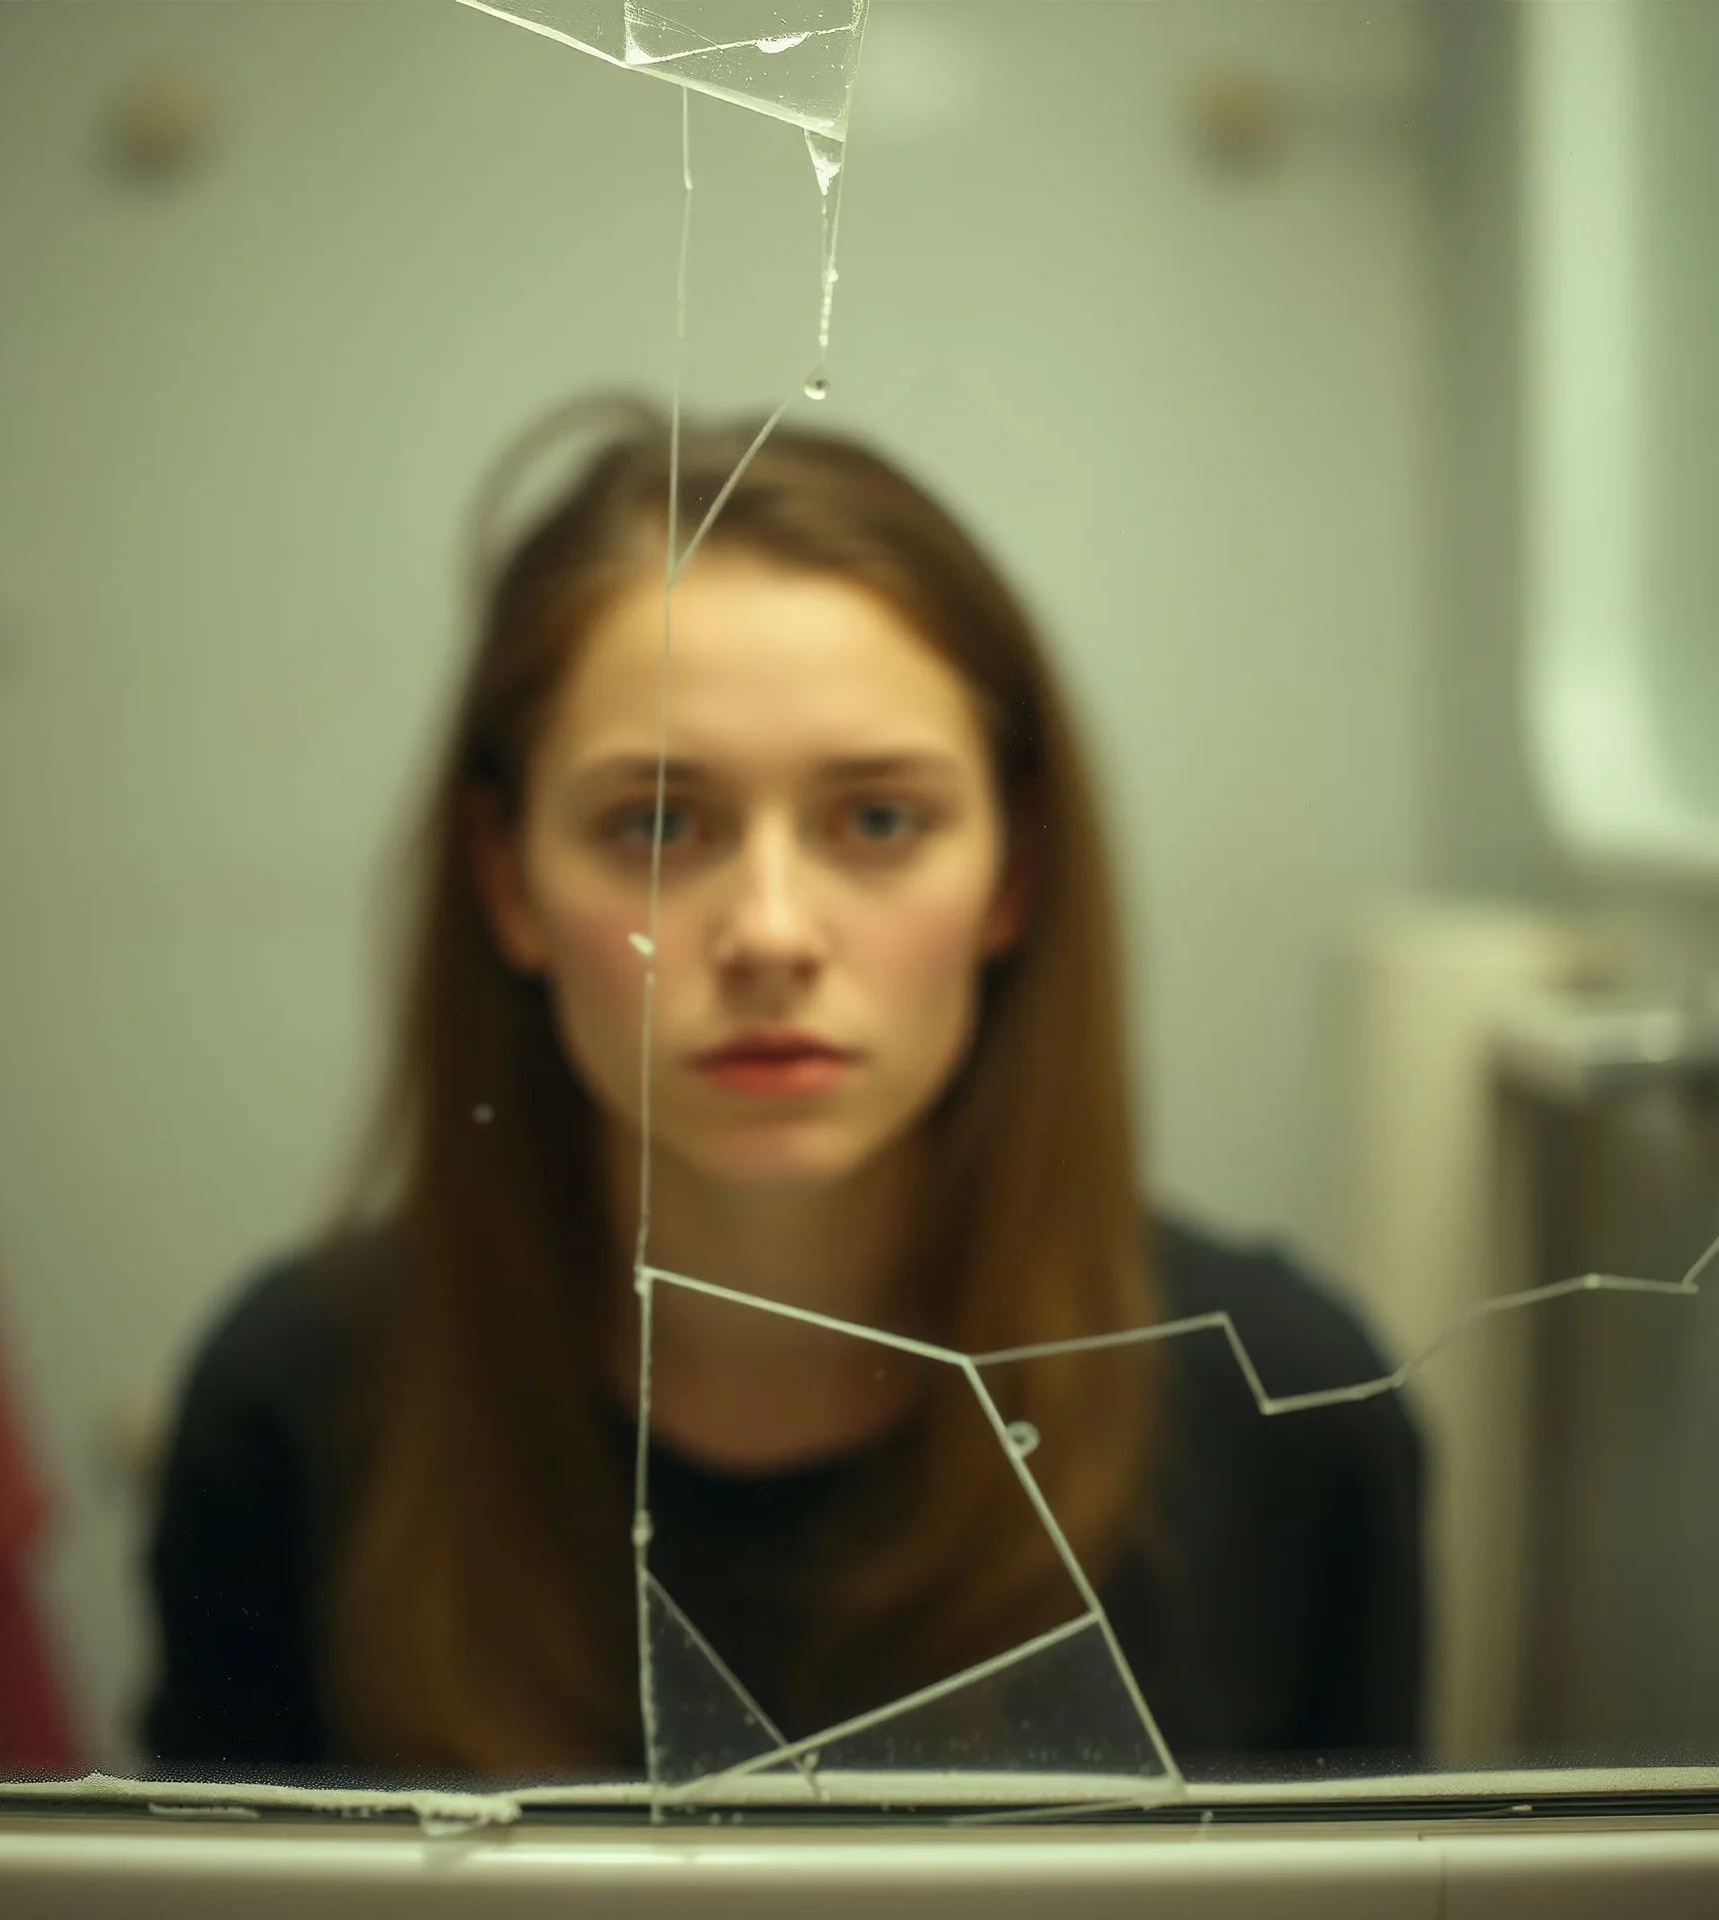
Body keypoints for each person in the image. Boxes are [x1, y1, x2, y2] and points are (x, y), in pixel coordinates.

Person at [141, 405, 1422, 1785]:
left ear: (1016, 871)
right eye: (655, 824)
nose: (768, 932)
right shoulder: (295, 1407)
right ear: (507, 879)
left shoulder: (1289, 1410)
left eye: (878, 821)